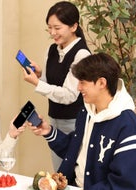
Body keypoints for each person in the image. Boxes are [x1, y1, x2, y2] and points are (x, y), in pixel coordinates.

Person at [28, 53, 136, 190]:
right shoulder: (87, 112)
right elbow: (75, 151)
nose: (78, 88)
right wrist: (48, 132)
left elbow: (121, 188)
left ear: (101, 83)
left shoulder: (131, 129)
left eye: (83, 82)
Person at [21, 1, 91, 171]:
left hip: (74, 121)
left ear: (74, 26)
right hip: (54, 119)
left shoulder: (81, 54)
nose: (52, 33)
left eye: (57, 28)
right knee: (58, 171)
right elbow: (51, 85)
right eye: (49, 28)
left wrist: (37, 83)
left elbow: (69, 95)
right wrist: (39, 76)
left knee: (72, 172)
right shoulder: (51, 50)